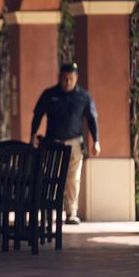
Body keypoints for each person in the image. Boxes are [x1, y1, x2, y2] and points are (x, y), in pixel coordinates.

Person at [30, 62, 100, 225]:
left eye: (71, 79)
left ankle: (71, 213)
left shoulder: (84, 96)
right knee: (51, 177)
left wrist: (96, 141)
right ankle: (49, 210)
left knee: (73, 179)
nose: (67, 82)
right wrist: (32, 136)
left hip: (75, 143)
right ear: (59, 78)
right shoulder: (49, 94)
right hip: (53, 143)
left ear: (76, 79)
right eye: (65, 79)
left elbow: (92, 119)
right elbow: (37, 115)